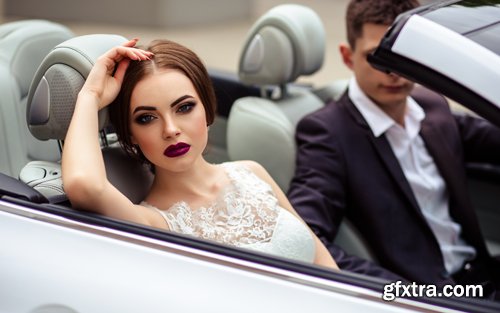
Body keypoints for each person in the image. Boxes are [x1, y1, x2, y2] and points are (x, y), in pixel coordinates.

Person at [61, 38, 338, 270]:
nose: (170, 130)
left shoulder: (252, 172)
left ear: (206, 108)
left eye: (183, 108)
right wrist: (91, 96)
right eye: (147, 118)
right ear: (131, 134)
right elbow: (84, 185)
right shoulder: (153, 223)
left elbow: (329, 270)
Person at [288, 0, 500, 297]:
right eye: (377, 57)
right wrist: (397, 292)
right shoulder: (327, 133)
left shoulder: (432, 105)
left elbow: (490, 137)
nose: (393, 72)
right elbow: (306, 237)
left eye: (403, 57)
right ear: (348, 57)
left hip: (483, 274)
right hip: (425, 296)